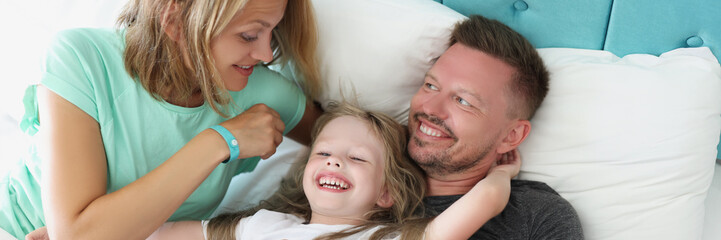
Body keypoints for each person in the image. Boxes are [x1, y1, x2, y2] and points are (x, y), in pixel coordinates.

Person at [0, 0, 323, 239]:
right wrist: (220, 141)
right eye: (250, 36)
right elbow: (78, 235)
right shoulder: (81, 58)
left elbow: (347, 141)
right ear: (175, 21)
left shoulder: (258, 90)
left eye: (272, 32)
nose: (267, 55)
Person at [143, 103, 521, 240]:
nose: (334, 161)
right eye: (322, 152)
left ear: (386, 193)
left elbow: (485, 200)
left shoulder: (386, 238)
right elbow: (157, 232)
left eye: (357, 158)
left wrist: (502, 174)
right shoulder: (262, 226)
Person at [407, 15, 584, 239]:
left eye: (463, 101)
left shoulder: (537, 216)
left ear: (511, 136)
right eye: (431, 86)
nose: (431, 108)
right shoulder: (360, 166)